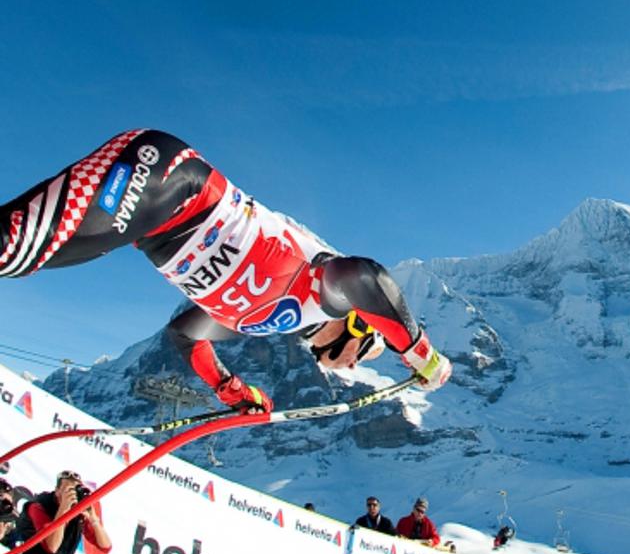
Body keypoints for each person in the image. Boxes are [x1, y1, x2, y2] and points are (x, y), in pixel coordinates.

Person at [0, 129, 452, 413]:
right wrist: (418, 351)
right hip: (171, 183)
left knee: (17, 258)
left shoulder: (266, 320)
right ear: (359, 324)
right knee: (13, 250)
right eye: (361, 355)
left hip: (148, 218)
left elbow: (185, 334)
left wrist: (231, 388)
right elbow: (365, 278)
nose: (350, 366)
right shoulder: (323, 296)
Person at [10, 470, 112, 554]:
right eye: (69, 490)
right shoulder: (38, 506)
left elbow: (105, 547)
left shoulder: (78, 512)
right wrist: (63, 509)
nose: (73, 495)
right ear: (57, 491)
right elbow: (51, 547)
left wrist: (94, 519)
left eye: (76, 490)